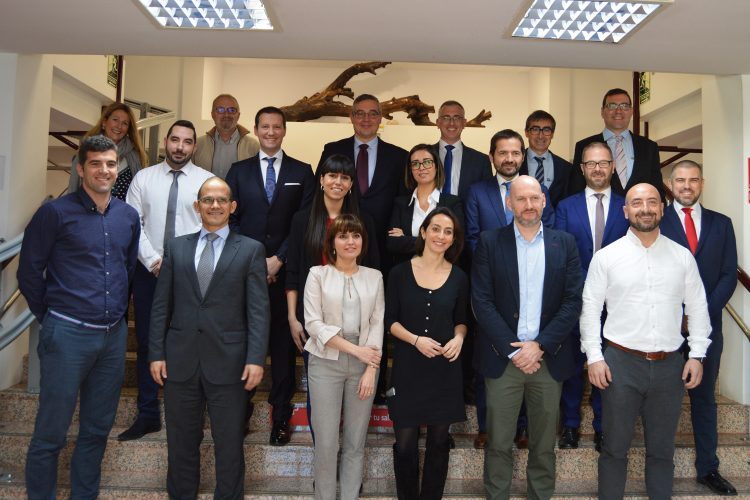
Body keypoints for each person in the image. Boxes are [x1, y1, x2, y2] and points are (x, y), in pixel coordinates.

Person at [18, 135, 140, 499]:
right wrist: (53, 317)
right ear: (80, 168)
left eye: (110, 163)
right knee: (51, 433)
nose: (104, 170)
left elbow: (128, 269)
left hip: (112, 337)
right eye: (96, 163)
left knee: (96, 430)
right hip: (67, 334)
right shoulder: (54, 213)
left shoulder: (127, 216)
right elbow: (29, 272)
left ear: (117, 168)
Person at [580, 182, 711, 500]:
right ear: (626, 211)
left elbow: (697, 308)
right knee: (614, 449)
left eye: (653, 202)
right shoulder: (607, 257)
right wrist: (595, 357)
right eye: (637, 203)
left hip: (670, 367)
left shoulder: (682, 257)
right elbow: (590, 310)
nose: (646, 208)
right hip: (620, 364)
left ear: (662, 209)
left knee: (663, 451)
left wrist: (697, 354)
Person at [149, 176, 270, 500]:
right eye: (207, 200)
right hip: (180, 362)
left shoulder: (250, 250)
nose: (214, 205)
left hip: (230, 364)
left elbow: (258, 311)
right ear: (197, 206)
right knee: (180, 442)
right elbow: (162, 306)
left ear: (232, 207)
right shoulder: (176, 247)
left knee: (229, 444)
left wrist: (256, 359)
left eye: (221, 200)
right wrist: (155, 353)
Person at [472, 176, 582, 500]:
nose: (529, 205)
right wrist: (515, 350)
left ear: (544, 201)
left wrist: (540, 346)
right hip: (503, 359)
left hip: (548, 359)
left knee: (544, 444)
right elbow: (482, 301)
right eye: (521, 199)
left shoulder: (565, 243)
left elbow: (572, 300)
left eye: (535, 198)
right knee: (499, 443)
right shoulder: (491, 243)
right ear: (509, 203)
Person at [226, 106, 315, 445]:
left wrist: (278, 259)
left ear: (284, 130)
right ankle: (240, 414)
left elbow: (305, 223)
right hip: (245, 276)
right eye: (265, 127)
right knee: (245, 346)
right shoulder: (238, 171)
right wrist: (254, 262)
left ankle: (280, 418)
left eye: (277, 127)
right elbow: (229, 221)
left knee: (282, 351)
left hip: (285, 276)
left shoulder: (302, 172)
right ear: (256, 129)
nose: (271, 132)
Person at [121, 120, 214, 441]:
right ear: (165, 141)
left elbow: (214, 229)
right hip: (151, 274)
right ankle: (147, 412)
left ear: (194, 147)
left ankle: (187, 414)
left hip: (193, 277)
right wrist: (153, 261)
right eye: (175, 140)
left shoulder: (208, 182)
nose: (180, 147)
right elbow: (134, 225)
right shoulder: (143, 179)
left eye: (187, 142)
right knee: (149, 341)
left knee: (191, 343)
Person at [464, 129, 555, 450]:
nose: (509, 159)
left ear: (523, 156)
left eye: (515, 153)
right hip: (492, 290)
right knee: (492, 358)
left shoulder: (539, 190)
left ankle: (525, 427)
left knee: (530, 360)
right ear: (492, 157)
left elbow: (550, 233)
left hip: (533, 289)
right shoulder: (477, 191)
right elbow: (472, 237)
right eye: (502, 153)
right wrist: (498, 268)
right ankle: (489, 427)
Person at [318, 93, 408, 401]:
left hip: (380, 247)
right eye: (360, 113)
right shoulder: (333, 149)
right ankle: (335, 375)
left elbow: (401, 200)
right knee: (336, 311)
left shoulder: (398, 155)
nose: (366, 118)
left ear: (381, 118)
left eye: (373, 113)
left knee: (373, 315)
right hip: (339, 243)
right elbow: (324, 193)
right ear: (351, 117)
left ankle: (376, 381)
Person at [286, 154, 380, 437]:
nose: (338, 182)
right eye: (332, 176)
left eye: (345, 177)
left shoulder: (364, 221)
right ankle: (324, 464)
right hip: (316, 320)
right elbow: (293, 272)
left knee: (356, 407)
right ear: (322, 180)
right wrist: (293, 317)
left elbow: (373, 272)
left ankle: (350, 472)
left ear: (351, 184)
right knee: (321, 404)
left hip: (356, 321)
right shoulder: (303, 220)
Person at [661, 160, 738, 496]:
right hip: (664, 327)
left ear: (702, 183)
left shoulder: (722, 224)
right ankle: (658, 468)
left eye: (693, 180)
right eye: (680, 180)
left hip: (707, 330)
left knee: (704, 399)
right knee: (661, 401)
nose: (686, 186)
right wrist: (678, 313)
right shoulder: (656, 220)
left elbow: (727, 274)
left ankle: (708, 468)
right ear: (670, 183)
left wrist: (700, 314)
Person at [386, 207, 469, 500]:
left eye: (448, 232)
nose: (441, 236)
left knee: (438, 442)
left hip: (444, 369)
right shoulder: (398, 273)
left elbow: (461, 320)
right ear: (423, 231)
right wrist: (415, 340)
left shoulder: (459, 277)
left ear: (453, 239)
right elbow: (390, 320)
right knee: (406, 445)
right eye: (436, 229)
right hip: (409, 367)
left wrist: (459, 338)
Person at [553, 141, 628, 451]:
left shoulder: (628, 206)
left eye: (603, 163)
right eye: (591, 163)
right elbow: (560, 254)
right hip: (576, 300)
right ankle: (569, 425)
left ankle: (602, 426)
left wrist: (607, 287)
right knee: (571, 367)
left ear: (612, 167)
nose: (597, 168)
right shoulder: (564, 207)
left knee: (606, 367)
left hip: (617, 303)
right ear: (582, 169)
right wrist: (589, 286)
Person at [303, 214, 384, 500]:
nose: (351, 241)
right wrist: (355, 350)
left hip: (364, 364)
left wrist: (371, 369)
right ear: (332, 243)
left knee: (355, 442)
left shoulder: (375, 277)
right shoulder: (317, 274)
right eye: (343, 236)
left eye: (356, 236)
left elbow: (377, 324)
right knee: (326, 443)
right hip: (325, 361)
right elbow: (313, 325)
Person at [569, 88, 664, 200]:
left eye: (624, 106)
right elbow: (576, 188)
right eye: (612, 106)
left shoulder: (649, 147)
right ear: (602, 111)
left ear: (631, 111)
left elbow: (656, 188)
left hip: (640, 214)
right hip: (599, 214)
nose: (618, 111)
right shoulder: (584, 146)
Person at [387, 143, 463, 263]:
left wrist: (407, 239)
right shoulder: (400, 203)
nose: (421, 168)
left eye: (427, 162)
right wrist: (437, 242)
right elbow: (393, 243)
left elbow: (456, 244)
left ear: (436, 166)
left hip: (442, 273)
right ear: (411, 170)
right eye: (415, 164)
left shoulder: (452, 203)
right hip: (408, 272)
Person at [68, 102, 147, 200]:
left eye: (125, 123)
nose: (119, 126)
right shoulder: (85, 153)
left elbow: (141, 196)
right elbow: (73, 189)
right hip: (87, 213)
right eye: (115, 120)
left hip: (123, 214)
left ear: (128, 129)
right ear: (104, 122)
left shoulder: (135, 157)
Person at [432, 100, 493, 199]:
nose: (451, 123)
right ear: (438, 123)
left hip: (466, 214)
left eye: (457, 118)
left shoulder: (481, 161)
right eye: (446, 118)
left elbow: (485, 198)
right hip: (429, 214)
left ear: (464, 123)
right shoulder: (424, 155)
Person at [193, 93, 260, 179]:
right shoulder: (197, 145)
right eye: (220, 110)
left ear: (238, 115)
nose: (226, 115)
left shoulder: (253, 146)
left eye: (232, 110)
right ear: (212, 114)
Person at [520, 110, 571, 207]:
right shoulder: (515, 163)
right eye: (535, 129)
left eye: (546, 130)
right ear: (526, 132)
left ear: (552, 134)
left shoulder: (566, 168)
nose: (540, 136)